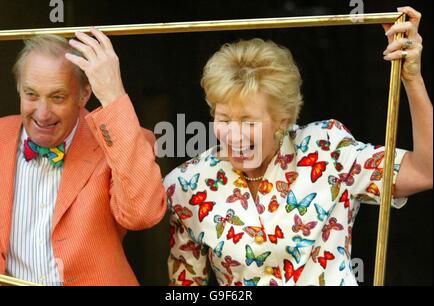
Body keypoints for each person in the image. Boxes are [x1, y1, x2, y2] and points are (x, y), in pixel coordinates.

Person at [164, 6, 432, 286]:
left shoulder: (328, 149)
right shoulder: (187, 185)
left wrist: (412, 78)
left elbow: (425, 171)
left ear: (283, 119)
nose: (234, 135)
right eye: (224, 119)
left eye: (248, 121)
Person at [0, 28, 166, 286]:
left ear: (84, 95)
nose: (42, 113)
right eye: (31, 95)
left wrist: (113, 95)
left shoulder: (119, 141)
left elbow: (142, 214)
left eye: (57, 97)